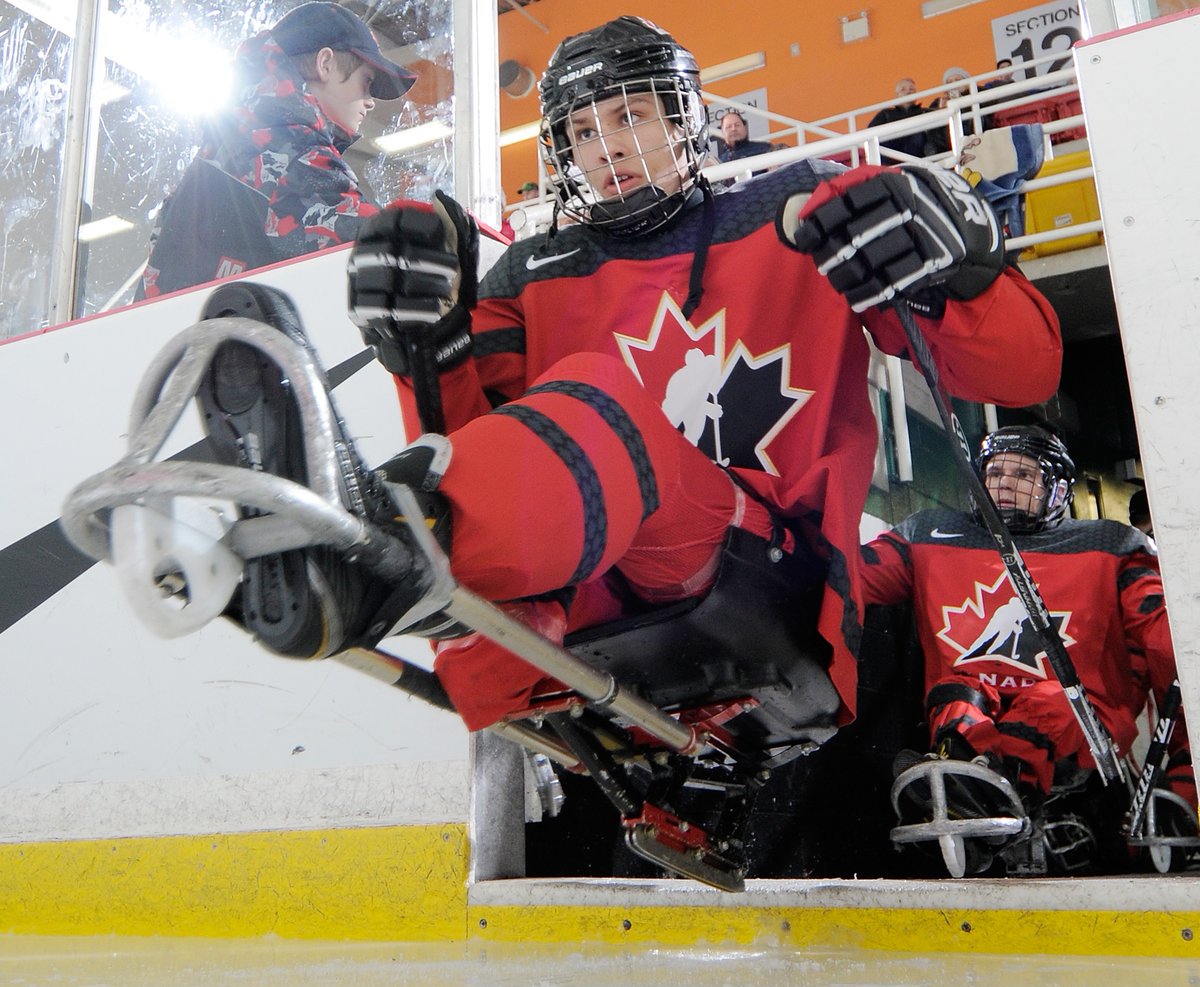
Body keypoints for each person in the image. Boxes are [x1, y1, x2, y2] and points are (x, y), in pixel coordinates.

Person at [199, 16, 1062, 739]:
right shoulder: (530, 273)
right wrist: (423, 350)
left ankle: (371, 550)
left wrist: (964, 267)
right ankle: (361, 554)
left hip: (769, 582)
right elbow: (475, 448)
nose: (606, 148)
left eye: (631, 117)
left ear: (686, 118)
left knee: (595, 407)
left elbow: (1024, 370)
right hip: (587, 600)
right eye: (581, 131)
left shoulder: (801, 212)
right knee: (515, 521)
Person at [859, 425, 1193, 874]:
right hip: (977, 704)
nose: (1004, 483)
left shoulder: (1112, 545)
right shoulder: (928, 534)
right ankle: (965, 777)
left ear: (1057, 489)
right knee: (957, 691)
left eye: (1023, 474)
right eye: (994, 472)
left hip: (1080, 715)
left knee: (1052, 703)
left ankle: (986, 791)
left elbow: (1168, 637)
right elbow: (854, 576)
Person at [137, 2, 416, 300]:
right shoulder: (290, 152)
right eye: (368, 82)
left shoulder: (224, 146)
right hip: (240, 342)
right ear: (326, 64)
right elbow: (382, 254)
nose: (370, 100)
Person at [866, 77, 927, 164]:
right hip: (892, 150)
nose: (908, 92)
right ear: (897, 95)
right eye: (903, 89)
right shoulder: (886, 113)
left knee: (918, 134)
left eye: (912, 89)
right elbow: (870, 131)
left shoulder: (924, 112)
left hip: (915, 153)